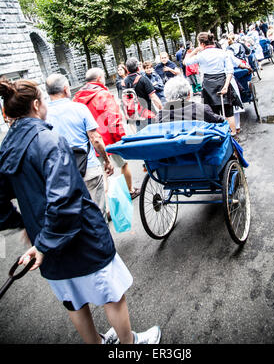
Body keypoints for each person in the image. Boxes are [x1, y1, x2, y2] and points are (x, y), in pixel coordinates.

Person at [0, 78, 161, 345]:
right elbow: (64, 198)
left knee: (73, 300)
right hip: (80, 235)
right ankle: (129, 345)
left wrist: (25, 226)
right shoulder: (48, 139)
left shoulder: (6, 148)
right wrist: (42, 242)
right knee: (111, 293)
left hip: (46, 240)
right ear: (37, 104)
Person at [46, 73, 114, 223]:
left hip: (61, 174)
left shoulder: (44, 115)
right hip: (87, 169)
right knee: (97, 213)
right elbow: (95, 139)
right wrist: (107, 161)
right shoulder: (78, 108)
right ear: (65, 89)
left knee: (75, 218)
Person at [73, 68, 140, 200]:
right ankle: (130, 190)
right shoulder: (103, 94)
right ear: (99, 79)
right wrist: (121, 140)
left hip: (90, 143)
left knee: (102, 173)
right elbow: (113, 120)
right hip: (109, 139)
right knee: (123, 164)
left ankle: (106, 204)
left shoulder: (77, 97)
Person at [183, 31, 240, 135]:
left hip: (208, 85)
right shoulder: (223, 52)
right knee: (229, 113)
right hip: (223, 81)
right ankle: (233, 133)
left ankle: (219, 135)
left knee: (212, 113)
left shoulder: (200, 55)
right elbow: (230, 71)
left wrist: (195, 50)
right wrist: (226, 86)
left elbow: (185, 62)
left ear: (202, 44)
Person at [156, 76, 224, 124]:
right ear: (189, 94)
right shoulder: (201, 109)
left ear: (166, 96)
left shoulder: (161, 116)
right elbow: (220, 122)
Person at [123, 57, 163, 131]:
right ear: (138, 68)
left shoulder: (123, 82)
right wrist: (161, 109)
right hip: (148, 112)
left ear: (127, 69)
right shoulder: (143, 79)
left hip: (136, 115)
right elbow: (153, 97)